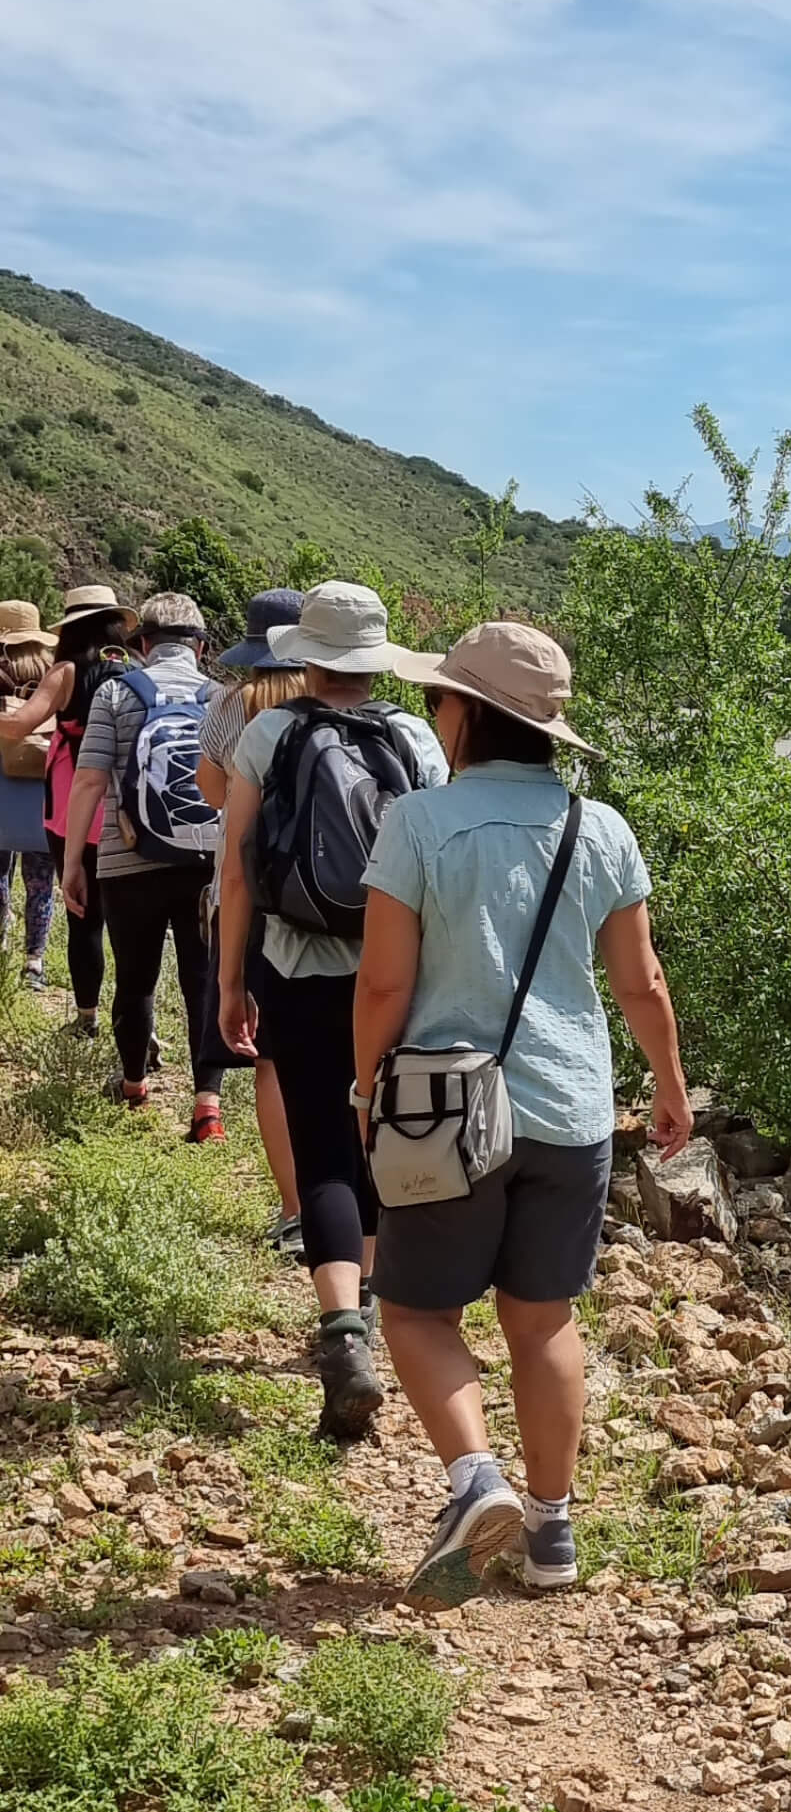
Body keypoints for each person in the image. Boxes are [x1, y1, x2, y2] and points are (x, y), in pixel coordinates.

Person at [353, 620, 692, 1604]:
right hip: (569, 1108)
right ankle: (552, 1535)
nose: (433, 712)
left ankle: (474, 1480)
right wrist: (669, 1088)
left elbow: (382, 984)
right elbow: (642, 981)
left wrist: (364, 1083)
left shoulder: (417, 824)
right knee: (542, 1322)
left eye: (438, 699)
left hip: (444, 1109)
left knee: (415, 1308)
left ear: (463, 714)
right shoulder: (603, 829)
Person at [218, 582, 446, 1441]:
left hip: (295, 966)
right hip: (400, 971)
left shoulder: (270, 732)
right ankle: (380, 1312)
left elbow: (238, 869)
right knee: (380, 1142)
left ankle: (343, 1329)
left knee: (319, 1147)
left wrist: (230, 980)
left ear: (304, 656)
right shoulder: (417, 736)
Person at [63, 594, 222, 1121]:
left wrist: (72, 865)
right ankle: (208, 1107)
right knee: (202, 980)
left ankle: (133, 1083)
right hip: (205, 864)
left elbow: (87, 781)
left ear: (145, 644)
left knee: (135, 977)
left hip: (127, 859)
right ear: (199, 647)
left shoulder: (115, 692)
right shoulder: (223, 698)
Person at [197, 589, 306, 1224]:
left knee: (271, 1057)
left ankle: (294, 1211)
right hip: (333, 900)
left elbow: (210, 789)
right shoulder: (331, 705)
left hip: (252, 895)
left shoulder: (236, 703)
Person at [0, 583, 131, 1039]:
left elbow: (19, 724)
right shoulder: (130, 671)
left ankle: (86, 1018)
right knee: (130, 925)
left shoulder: (67, 672)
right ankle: (136, 1020)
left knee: (83, 916)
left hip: (72, 802)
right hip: (125, 807)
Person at [0, 604, 58, 990]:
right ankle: (33, 962)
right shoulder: (54, 672)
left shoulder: (2, 671)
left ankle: (1, 938)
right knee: (40, 881)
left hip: (2, 788)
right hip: (43, 790)